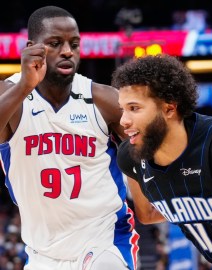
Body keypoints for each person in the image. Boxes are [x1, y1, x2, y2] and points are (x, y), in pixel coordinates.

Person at [0, 5, 139, 270]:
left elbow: (147, 151)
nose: (67, 51)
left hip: (104, 242)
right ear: (31, 47)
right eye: (55, 43)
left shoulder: (103, 99)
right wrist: (24, 86)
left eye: (74, 44)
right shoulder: (11, 95)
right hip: (42, 253)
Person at [111, 54, 212, 270]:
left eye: (134, 108)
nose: (123, 121)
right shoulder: (130, 157)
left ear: (169, 108)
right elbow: (147, 215)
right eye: (122, 109)